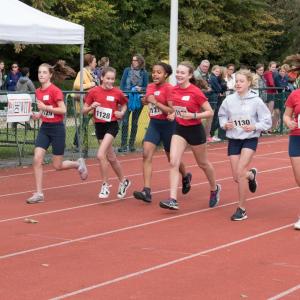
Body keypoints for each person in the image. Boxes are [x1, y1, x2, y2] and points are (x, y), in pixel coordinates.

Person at [159, 61, 221, 210]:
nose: (179, 75)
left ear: (190, 75)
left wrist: (193, 115)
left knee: (203, 164)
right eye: (178, 72)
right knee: (173, 162)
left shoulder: (195, 92)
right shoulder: (173, 90)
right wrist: (173, 115)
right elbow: (176, 109)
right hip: (180, 129)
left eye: (183, 73)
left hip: (195, 130)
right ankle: (172, 199)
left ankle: (214, 188)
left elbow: (210, 112)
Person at [26, 62, 88, 204]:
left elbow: (63, 110)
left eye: (44, 72)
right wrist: (38, 114)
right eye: (39, 72)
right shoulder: (38, 91)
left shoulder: (55, 91)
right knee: (37, 159)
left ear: (50, 75)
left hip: (57, 129)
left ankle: (78, 164)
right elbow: (43, 110)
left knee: (57, 166)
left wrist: (46, 107)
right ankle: (39, 193)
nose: (41, 75)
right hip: (45, 128)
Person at [133, 62, 192, 203]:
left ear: (166, 74)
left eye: (159, 72)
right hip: (154, 124)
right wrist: (145, 101)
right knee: (146, 153)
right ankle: (146, 190)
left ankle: (185, 175)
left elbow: (172, 111)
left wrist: (155, 102)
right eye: (153, 72)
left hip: (169, 126)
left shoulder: (170, 89)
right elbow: (148, 101)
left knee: (172, 159)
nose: (155, 74)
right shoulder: (150, 86)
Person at [218, 70, 272, 221]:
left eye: (241, 81)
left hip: (250, 139)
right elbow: (222, 116)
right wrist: (224, 124)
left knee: (240, 171)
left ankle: (241, 209)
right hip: (234, 139)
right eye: (237, 81)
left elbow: (267, 120)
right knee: (237, 176)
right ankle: (251, 175)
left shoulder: (256, 100)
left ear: (249, 83)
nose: (238, 84)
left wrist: (255, 126)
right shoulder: (229, 100)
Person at [83, 66, 131, 199]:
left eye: (112, 79)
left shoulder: (117, 92)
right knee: (111, 158)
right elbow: (83, 110)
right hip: (99, 126)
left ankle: (105, 185)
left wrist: (121, 112)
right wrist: (91, 107)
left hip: (112, 125)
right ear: (101, 78)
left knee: (100, 155)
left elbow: (125, 104)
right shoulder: (93, 92)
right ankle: (124, 181)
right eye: (107, 78)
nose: (110, 81)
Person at [118, 54, 148, 153]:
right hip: (126, 98)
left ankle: (131, 145)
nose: (133, 62)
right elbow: (122, 84)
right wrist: (122, 96)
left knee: (134, 122)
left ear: (140, 62)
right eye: (132, 60)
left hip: (138, 99)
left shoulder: (144, 73)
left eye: (135, 60)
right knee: (125, 121)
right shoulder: (127, 70)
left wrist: (141, 88)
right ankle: (123, 145)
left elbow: (146, 87)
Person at [73, 53, 98, 156]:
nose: (96, 64)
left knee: (85, 125)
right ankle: (81, 146)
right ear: (89, 62)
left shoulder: (91, 73)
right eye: (94, 62)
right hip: (84, 105)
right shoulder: (82, 72)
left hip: (91, 105)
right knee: (84, 125)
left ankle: (80, 145)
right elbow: (76, 85)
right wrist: (91, 84)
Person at [283, 88, 300, 230]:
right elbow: (286, 115)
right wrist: (288, 122)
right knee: (299, 178)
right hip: (296, 138)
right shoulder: (294, 94)